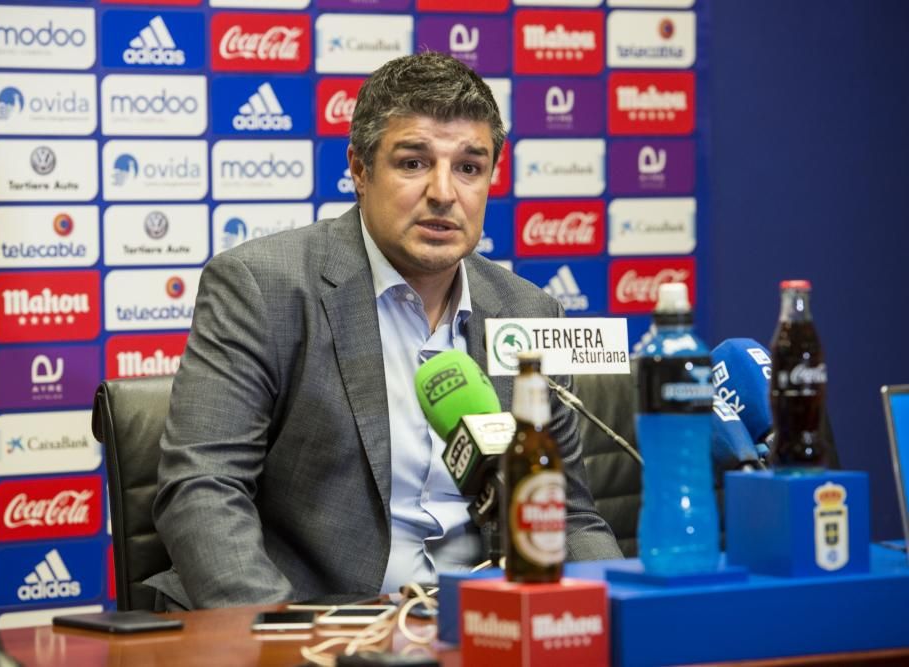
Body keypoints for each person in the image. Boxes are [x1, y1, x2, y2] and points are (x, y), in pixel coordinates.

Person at [147, 51, 621, 610]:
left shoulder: (528, 312)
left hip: (480, 624)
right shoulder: (262, 287)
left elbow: (564, 513)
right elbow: (203, 489)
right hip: (315, 621)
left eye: (469, 167)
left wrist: (624, 616)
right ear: (360, 168)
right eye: (414, 162)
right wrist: (280, 638)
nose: (445, 193)